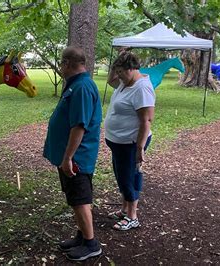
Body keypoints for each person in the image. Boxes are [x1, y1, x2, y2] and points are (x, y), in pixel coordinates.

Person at [43, 46, 102, 261]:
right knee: (74, 198)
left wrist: (68, 158)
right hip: (69, 157)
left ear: (67, 63)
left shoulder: (82, 88)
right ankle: (81, 236)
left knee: (80, 199)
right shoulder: (75, 85)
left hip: (78, 158)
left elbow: (79, 126)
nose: (60, 67)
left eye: (61, 63)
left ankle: (91, 244)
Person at [104, 51, 155, 231]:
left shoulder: (141, 88)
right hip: (119, 143)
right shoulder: (125, 83)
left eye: (121, 72)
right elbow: (110, 81)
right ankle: (125, 209)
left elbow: (146, 120)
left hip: (131, 143)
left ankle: (133, 216)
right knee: (121, 175)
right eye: (116, 71)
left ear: (132, 69)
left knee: (129, 177)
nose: (118, 76)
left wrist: (140, 148)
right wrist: (117, 59)